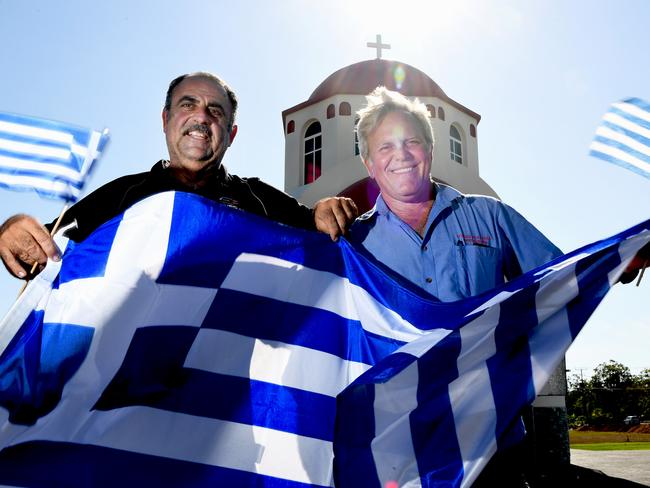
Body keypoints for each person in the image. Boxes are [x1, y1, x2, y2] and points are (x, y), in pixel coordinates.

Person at [347, 87, 648, 487]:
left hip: (490, 436)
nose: (400, 154)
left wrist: (625, 256)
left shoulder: (490, 216)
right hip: (398, 445)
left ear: (430, 150)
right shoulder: (352, 243)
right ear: (369, 163)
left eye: (412, 141)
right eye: (384, 146)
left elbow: (561, 276)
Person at [0, 72, 358, 279]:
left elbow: (320, 234)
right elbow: (42, 252)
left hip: (223, 390)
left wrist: (326, 212)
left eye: (215, 111)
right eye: (188, 105)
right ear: (165, 120)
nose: (201, 118)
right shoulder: (123, 195)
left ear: (231, 135)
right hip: (130, 393)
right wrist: (13, 231)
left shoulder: (258, 199)